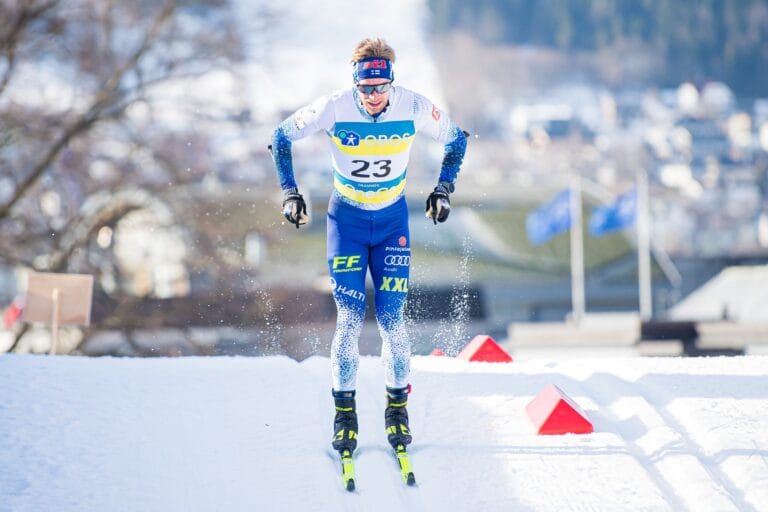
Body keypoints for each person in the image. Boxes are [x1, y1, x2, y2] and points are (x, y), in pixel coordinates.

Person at [270, 37, 467, 458]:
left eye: (382, 88)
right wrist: (291, 193)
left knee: (393, 320)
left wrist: (443, 189)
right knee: (350, 318)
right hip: (348, 221)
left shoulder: (413, 106)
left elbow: (457, 140)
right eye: (366, 89)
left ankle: (398, 410)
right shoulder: (333, 107)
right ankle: (345, 416)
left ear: (392, 82)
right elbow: (281, 136)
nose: (375, 98)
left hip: (393, 218)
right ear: (355, 84)